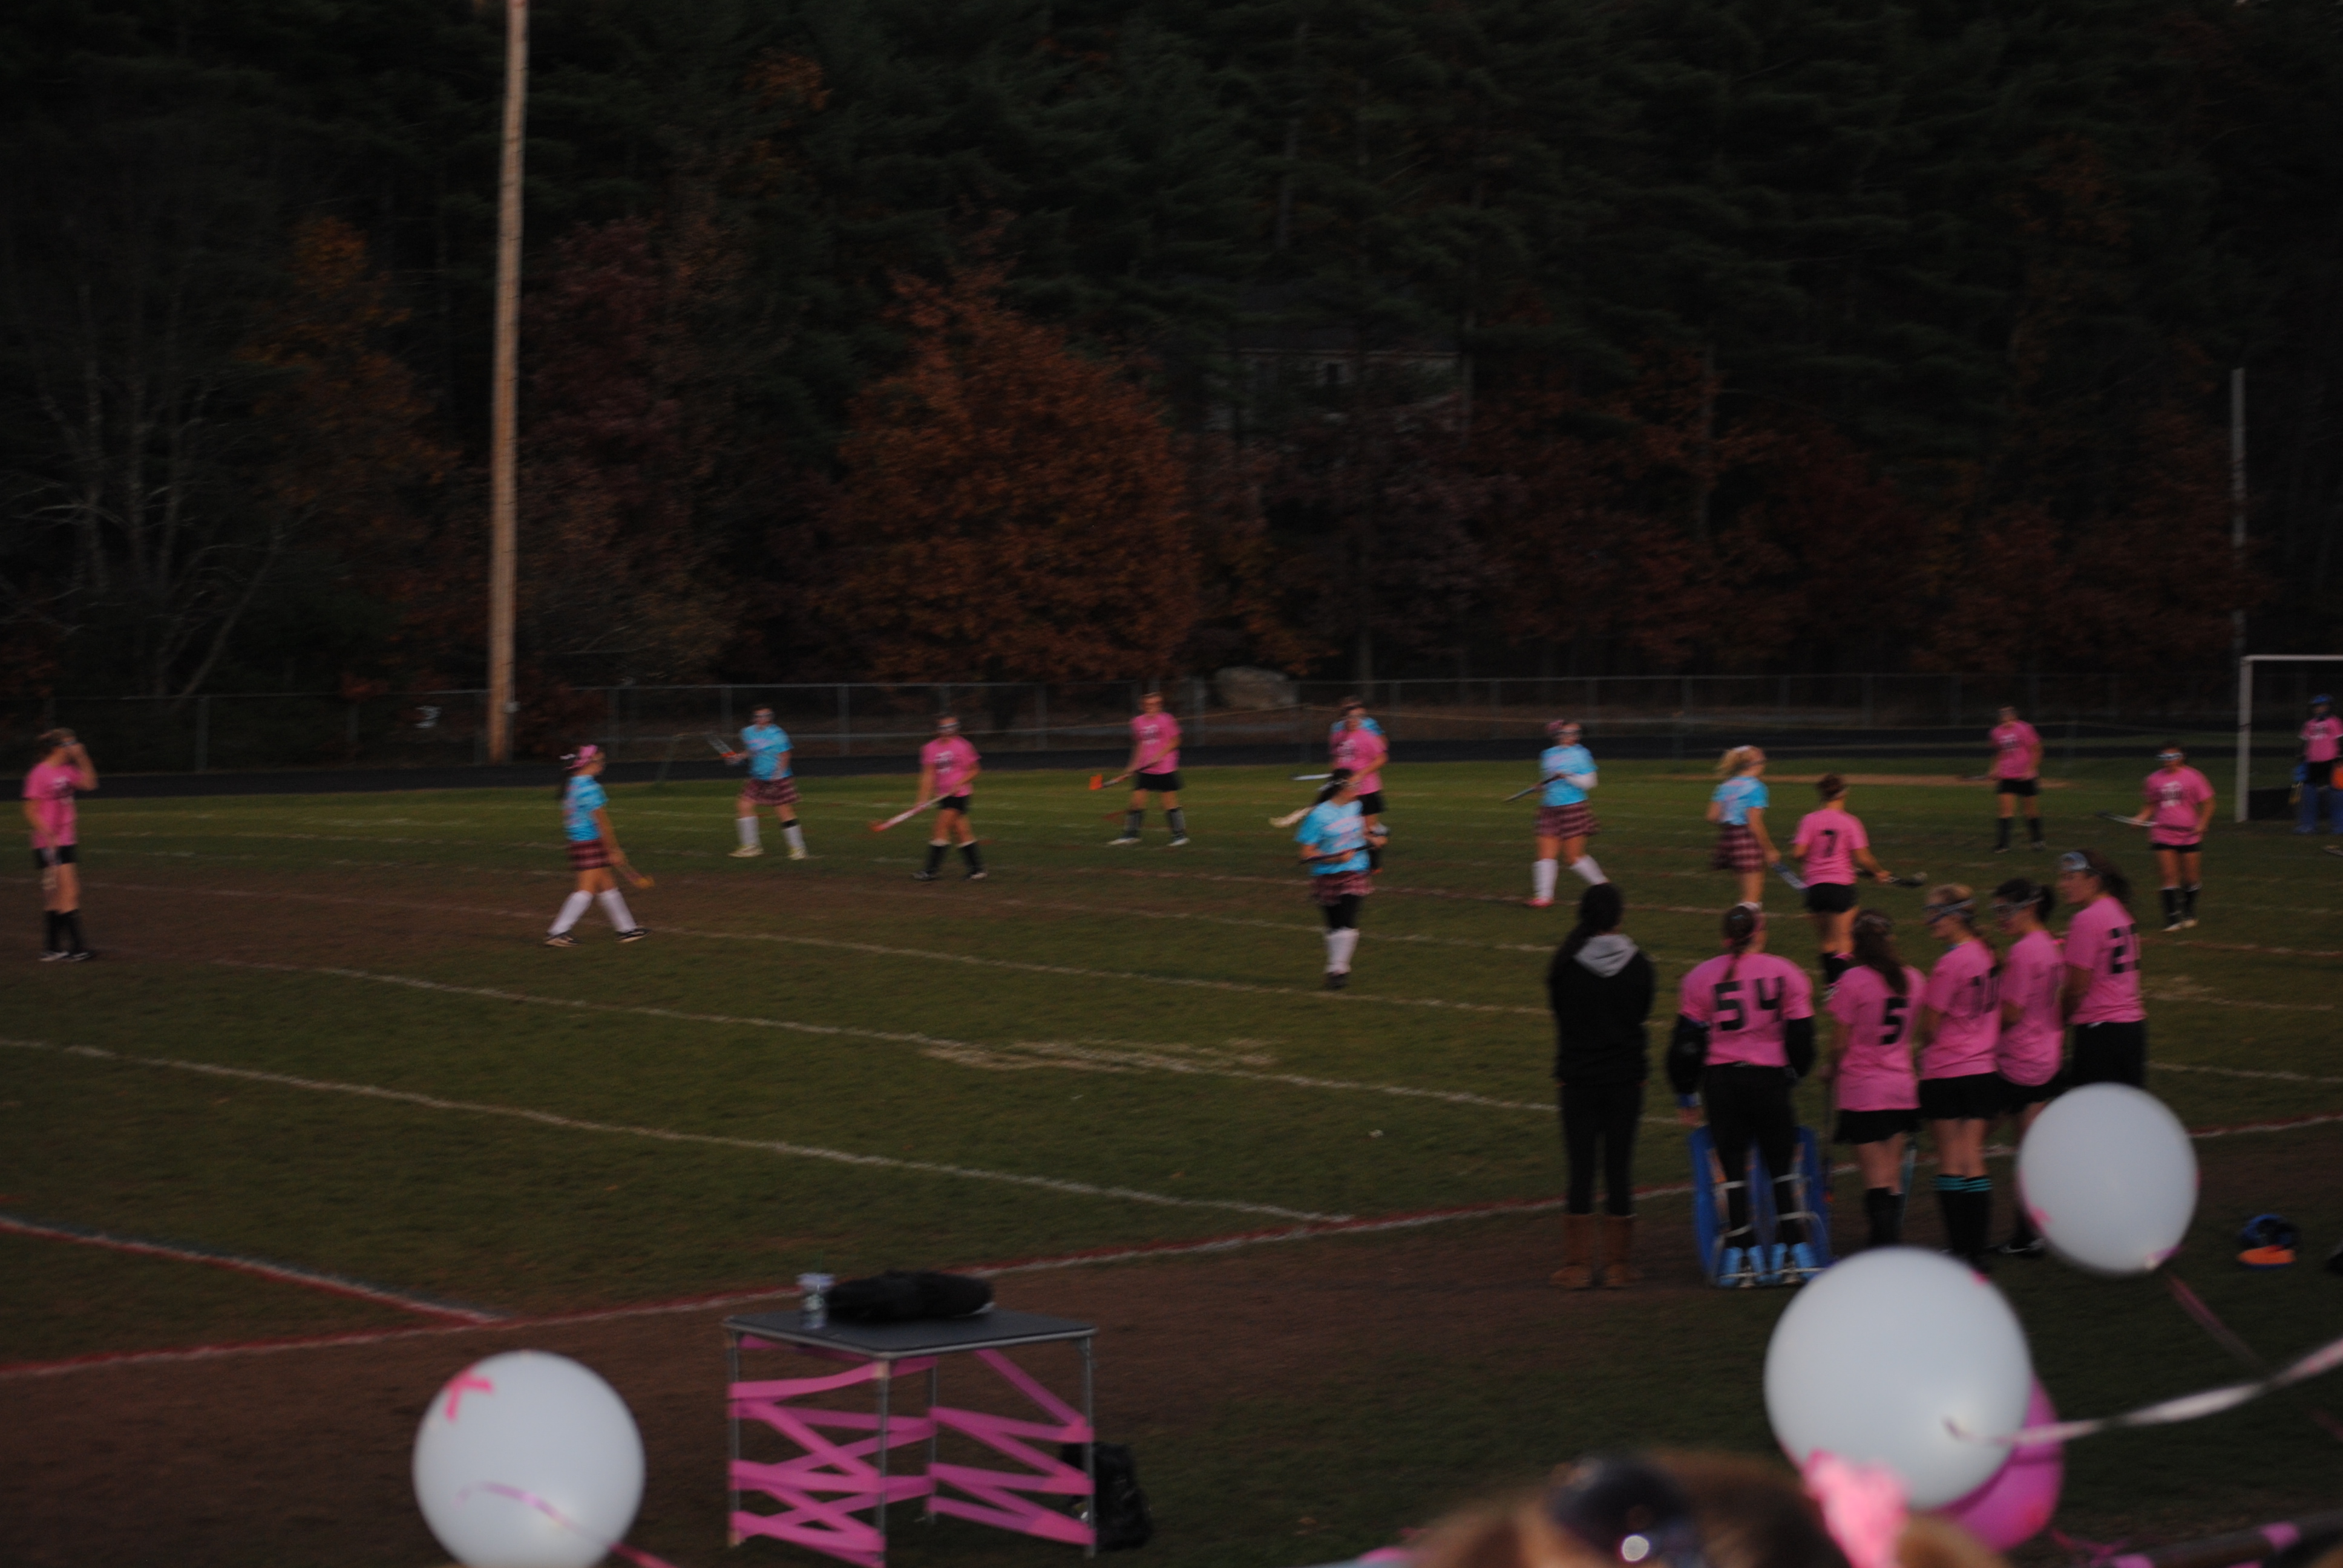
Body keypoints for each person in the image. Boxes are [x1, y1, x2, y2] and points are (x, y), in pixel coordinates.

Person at [1667, 906, 1819, 1286]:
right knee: (1781, 1166)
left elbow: (1686, 1044)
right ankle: (1792, 1252)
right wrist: (1794, 1074)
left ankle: (1742, 1256)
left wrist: (1686, 1092)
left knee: (1733, 1170)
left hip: (1722, 1082)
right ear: (1760, 933)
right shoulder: (1787, 972)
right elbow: (1802, 1036)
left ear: (1725, 937)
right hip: (1769, 1078)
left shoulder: (1700, 976)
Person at [1545, 883, 1653, 1288]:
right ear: (1619, 917)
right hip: (1625, 1078)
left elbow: (1562, 1016)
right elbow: (1640, 1013)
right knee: (1619, 1168)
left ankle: (1576, 1265)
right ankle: (1617, 1266)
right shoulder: (1639, 964)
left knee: (1581, 1168)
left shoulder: (1565, 964)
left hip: (1577, 1077)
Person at [1821, 909, 1922, 1250]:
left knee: (1876, 1179)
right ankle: (1888, 1245)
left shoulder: (1854, 980)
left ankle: (1884, 1248)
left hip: (1864, 1089)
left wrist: (1830, 1068)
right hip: (1901, 1087)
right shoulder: (1913, 978)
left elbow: (1839, 1043)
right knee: (1891, 1176)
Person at [1915, 885, 2001, 1270]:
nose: (1929, 921)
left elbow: (1930, 1026)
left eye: (1934, 914)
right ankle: (1977, 1252)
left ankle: (1960, 1248)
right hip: (1983, 1069)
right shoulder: (1985, 953)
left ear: (1955, 916)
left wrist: (1921, 1049)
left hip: (1948, 1070)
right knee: (1973, 1158)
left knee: (1950, 1159)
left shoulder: (1950, 963)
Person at [1990, 877, 2063, 1258]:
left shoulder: (2023, 951)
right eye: (1998, 910)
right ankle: (2031, 1233)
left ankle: (1971, 1237)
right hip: (2045, 1057)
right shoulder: (2047, 944)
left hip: (2017, 1061)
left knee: (1963, 1146)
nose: (2001, 918)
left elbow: (2013, 1013)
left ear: (2029, 908)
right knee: (2030, 1151)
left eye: (2007, 910)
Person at [1789, 774, 1898, 987]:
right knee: (1845, 942)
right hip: (1840, 885)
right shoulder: (1850, 822)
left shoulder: (1809, 820)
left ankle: (1831, 987)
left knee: (1827, 942)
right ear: (1845, 793)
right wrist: (1878, 872)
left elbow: (1798, 853)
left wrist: (1815, 858)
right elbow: (1863, 857)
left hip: (1815, 887)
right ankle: (1844, 988)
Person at [2057, 848, 2146, 1087]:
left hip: (2101, 1030)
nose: (2062, 885)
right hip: (2132, 1028)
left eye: (2070, 878)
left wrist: (2060, 1020)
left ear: (2093, 881)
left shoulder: (2086, 919)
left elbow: (2076, 988)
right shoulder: (2120, 911)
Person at [545, 745, 647, 947]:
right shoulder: (589, 787)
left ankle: (627, 929)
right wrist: (613, 850)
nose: (603, 765)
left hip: (580, 841)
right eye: (599, 761)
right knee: (586, 890)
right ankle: (557, 932)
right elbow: (602, 823)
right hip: (589, 842)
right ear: (587, 763)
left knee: (607, 885)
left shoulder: (572, 784)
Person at [1296, 768, 1383, 989]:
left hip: (1355, 870)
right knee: (1335, 925)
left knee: (1348, 919)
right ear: (1341, 788)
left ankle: (1339, 970)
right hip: (1327, 874)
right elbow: (1306, 853)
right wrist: (1334, 859)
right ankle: (1335, 968)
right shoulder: (1318, 816)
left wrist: (1373, 839)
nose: (1359, 790)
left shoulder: (1357, 807)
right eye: (1355, 786)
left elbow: (1363, 833)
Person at [24, 728, 98, 962]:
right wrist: (48, 834)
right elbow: (30, 810)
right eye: (70, 743)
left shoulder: (68, 770)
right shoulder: (40, 773)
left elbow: (90, 784)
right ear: (57, 748)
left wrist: (82, 757)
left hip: (65, 838)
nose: (74, 746)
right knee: (69, 891)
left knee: (56, 896)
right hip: (50, 842)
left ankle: (52, 948)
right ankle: (78, 948)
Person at [1529, 720, 1604, 908]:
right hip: (1549, 808)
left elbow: (1590, 783)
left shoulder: (1580, 754)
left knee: (1573, 858)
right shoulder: (1547, 755)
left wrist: (1568, 776)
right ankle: (1544, 897)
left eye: (1575, 733)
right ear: (1556, 735)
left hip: (1573, 807)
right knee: (1545, 855)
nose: (1573, 737)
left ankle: (1604, 887)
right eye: (1567, 733)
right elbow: (1550, 780)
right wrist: (1543, 785)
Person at [2141, 745, 2215, 931]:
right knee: (2168, 877)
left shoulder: (2194, 777)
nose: (2168, 760)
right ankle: (2172, 919)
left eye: (2173, 756)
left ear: (2182, 757)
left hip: (2189, 835)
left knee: (2191, 879)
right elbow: (2151, 805)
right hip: (2163, 833)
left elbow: (2209, 804)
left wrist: (2203, 823)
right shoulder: (2153, 779)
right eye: (2164, 757)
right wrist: (2140, 818)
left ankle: (2188, 910)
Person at [726, 705, 808, 860]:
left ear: (771, 718)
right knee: (743, 806)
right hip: (758, 777)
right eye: (758, 716)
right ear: (753, 718)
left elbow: (785, 756)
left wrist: (777, 777)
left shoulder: (777, 735)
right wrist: (739, 757)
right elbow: (752, 750)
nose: (762, 719)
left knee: (783, 811)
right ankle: (751, 847)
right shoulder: (747, 732)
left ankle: (798, 849)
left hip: (777, 777)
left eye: (766, 716)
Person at [1110, 690, 1188, 848]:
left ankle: (1180, 836)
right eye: (1149, 704)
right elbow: (1140, 745)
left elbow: (1176, 741)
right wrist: (1132, 766)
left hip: (1165, 767)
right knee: (1136, 801)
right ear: (1143, 706)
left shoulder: (1167, 719)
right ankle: (1131, 835)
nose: (1153, 707)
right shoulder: (1137, 722)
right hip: (1146, 768)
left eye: (1157, 704)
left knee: (1169, 802)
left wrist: (1160, 755)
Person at [1706, 746, 1780, 910]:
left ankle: (1741, 922)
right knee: (1752, 900)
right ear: (1754, 764)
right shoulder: (1756, 787)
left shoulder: (1725, 786)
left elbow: (1712, 816)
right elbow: (1754, 822)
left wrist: (1731, 819)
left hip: (1729, 837)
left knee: (1745, 896)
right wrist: (1769, 849)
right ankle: (1745, 925)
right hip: (1746, 838)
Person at [914, 715, 985, 881]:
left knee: (939, 828)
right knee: (962, 831)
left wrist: (960, 782)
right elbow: (928, 775)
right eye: (944, 728)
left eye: (952, 726)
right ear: (937, 730)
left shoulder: (963, 746)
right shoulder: (930, 748)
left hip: (959, 794)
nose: (949, 731)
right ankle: (977, 870)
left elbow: (975, 770)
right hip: (943, 795)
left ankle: (931, 871)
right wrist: (922, 799)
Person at [1332, 703, 1390, 872]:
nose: (1354, 721)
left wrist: (1360, 774)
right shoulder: (1337, 737)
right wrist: (1335, 778)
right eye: (1350, 717)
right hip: (1346, 790)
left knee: (1368, 829)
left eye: (1358, 717)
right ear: (1343, 719)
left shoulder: (1367, 737)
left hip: (1367, 789)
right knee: (1347, 826)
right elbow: (1336, 759)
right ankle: (1351, 860)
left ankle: (1374, 864)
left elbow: (1382, 759)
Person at [1988, 705, 2046, 852]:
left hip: (2026, 776)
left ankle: (2037, 841)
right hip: (2007, 775)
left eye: (2009, 717)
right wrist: (1995, 769)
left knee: (2030, 811)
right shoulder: (1996, 732)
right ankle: (2003, 845)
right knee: (2005, 811)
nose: (2006, 720)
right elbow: (1999, 752)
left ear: (2015, 717)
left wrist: (2030, 769)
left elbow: (2037, 750)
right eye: (2003, 718)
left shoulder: (2025, 729)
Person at [2298, 694, 2340, 835]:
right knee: (2309, 793)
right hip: (2312, 762)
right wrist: (2302, 759)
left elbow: (2340, 741)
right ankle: (2308, 825)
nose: (2319, 709)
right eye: (2317, 707)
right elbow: (2305, 743)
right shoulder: (2309, 724)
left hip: (2331, 762)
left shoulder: (2335, 722)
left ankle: (2338, 825)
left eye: (2323, 706)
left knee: (2336, 794)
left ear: (2329, 707)